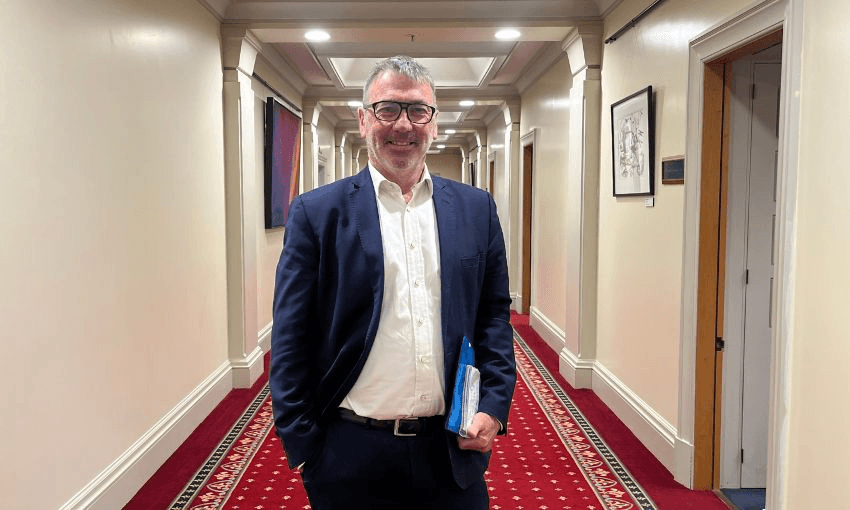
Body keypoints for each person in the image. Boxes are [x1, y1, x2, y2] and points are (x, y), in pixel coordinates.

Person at [269, 55, 516, 510]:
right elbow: (290, 338)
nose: (403, 125)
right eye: (387, 109)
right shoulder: (317, 213)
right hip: (350, 452)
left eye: (417, 111)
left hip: (449, 451)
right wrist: (304, 445)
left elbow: (492, 317)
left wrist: (493, 407)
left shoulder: (476, 209)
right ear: (364, 120)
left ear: (434, 124)